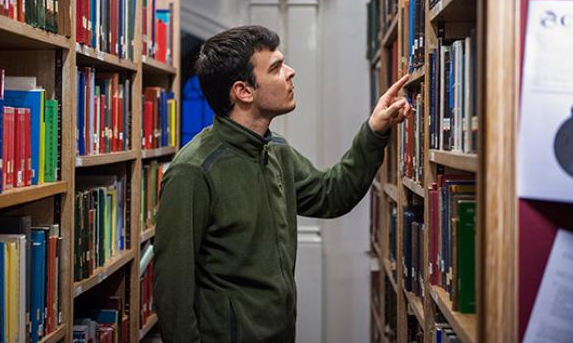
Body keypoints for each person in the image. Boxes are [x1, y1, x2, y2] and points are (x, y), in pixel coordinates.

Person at [153, 25, 411, 343]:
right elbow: (172, 292)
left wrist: (374, 131)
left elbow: (331, 195)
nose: (291, 72)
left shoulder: (275, 149)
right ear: (243, 91)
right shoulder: (192, 171)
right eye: (275, 67)